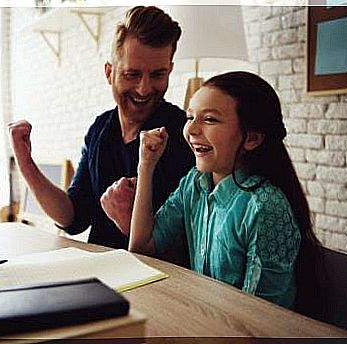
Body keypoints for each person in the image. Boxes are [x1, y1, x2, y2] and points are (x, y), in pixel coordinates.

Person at [127, 71, 323, 308]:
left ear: (251, 138)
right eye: (190, 117)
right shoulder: (194, 182)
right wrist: (146, 166)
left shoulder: (265, 206)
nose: (191, 130)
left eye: (209, 119)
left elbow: (260, 317)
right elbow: (141, 248)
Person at [9, 6, 194, 250]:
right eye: (132, 74)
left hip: (157, 282)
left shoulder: (185, 136)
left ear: (169, 70)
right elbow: (72, 217)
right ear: (109, 72)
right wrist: (25, 163)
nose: (144, 88)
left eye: (158, 74)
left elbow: (191, 250)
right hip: (100, 273)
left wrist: (128, 222)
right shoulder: (100, 129)